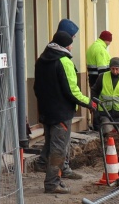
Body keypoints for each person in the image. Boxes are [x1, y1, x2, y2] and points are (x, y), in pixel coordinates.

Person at [33, 29, 98, 193]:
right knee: (59, 149)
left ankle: (50, 173)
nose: (71, 48)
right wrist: (89, 103)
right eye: (70, 44)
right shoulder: (64, 61)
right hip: (61, 112)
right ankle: (52, 183)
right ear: (64, 45)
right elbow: (72, 90)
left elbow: (36, 88)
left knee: (50, 145)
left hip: (46, 111)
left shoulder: (41, 60)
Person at [85, 30, 113, 129]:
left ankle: (96, 124)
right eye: (110, 41)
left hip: (92, 79)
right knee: (101, 103)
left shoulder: (92, 47)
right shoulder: (101, 50)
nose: (110, 44)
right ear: (107, 40)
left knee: (94, 100)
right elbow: (102, 70)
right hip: (99, 81)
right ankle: (99, 126)